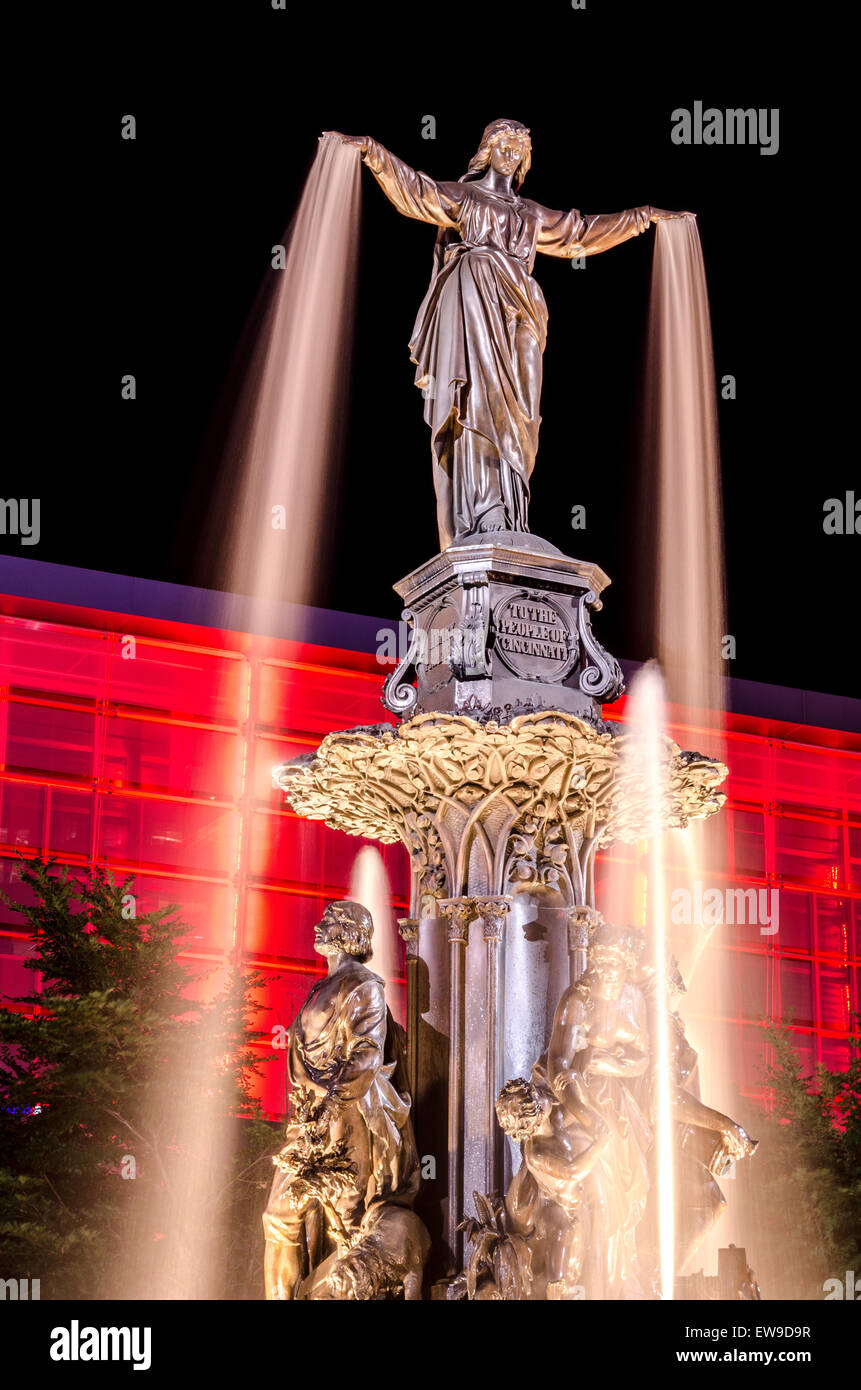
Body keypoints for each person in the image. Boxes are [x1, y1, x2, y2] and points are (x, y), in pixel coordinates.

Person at [325, 120, 686, 549]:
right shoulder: (467, 196)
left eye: (520, 148)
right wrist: (372, 151)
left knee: (525, 411)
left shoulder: (530, 213)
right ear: (487, 150)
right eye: (504, 145)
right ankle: (485, 509)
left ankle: (513, 509)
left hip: (524, 308)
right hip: (476, 294)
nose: (512, 154)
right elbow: (417, 191)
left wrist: (642, 218)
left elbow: (582, 232)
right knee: (478, 396)